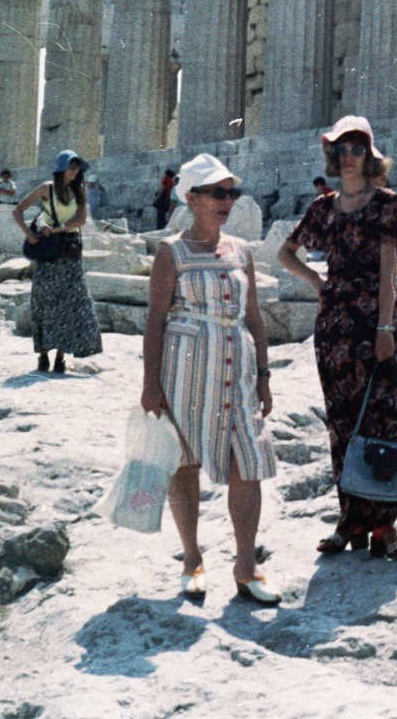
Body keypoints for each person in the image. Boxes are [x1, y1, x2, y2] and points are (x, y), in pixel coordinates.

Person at [278, 116, 397, 561]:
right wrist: (318, 282)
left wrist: (383, 328)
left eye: (356, 148)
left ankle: (386, 528)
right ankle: (348, 519)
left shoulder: (386, 204)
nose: (348, 156)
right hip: (335, 325)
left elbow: (388, 271)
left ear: (370, 155)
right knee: (342, 423)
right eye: (341, 149)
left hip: (374, 323)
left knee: (383, 417)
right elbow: (286, 253)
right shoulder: (324, 208)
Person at [141, 152, 279, 606]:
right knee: (185, 463)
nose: (228, 201)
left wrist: (263, 375)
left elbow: (254, 315)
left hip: (235, 370)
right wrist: (150, 384)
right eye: (218, 193)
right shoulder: (171, 253)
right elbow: (156, 321)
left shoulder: (241, 251)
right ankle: (192, 558)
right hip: (184, 370)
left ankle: (245, 565)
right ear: (192, 198)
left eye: (231, 193)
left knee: (249, 462)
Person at [15, 150, 102, 374]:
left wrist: (58, 229)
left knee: (70, 302)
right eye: (71, 166)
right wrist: (28, 234)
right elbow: (18, 211)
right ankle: (43, 355)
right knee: (44, 301)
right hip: (49, 251)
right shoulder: (46, 188)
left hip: (70, 251)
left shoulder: (78, 190)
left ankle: (61, 356)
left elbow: (81, 219)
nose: (74, 171)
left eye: (77, 167)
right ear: (61, 167)